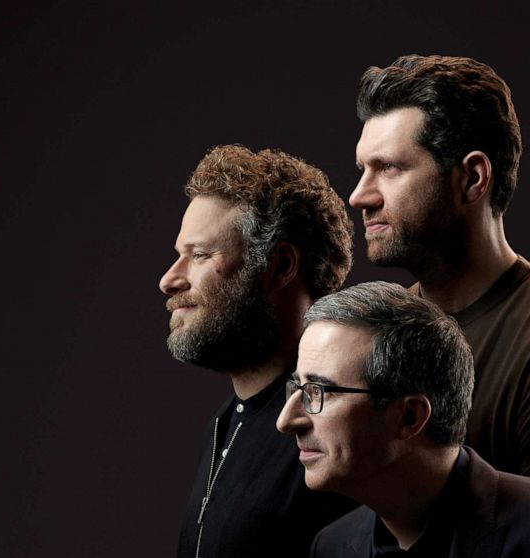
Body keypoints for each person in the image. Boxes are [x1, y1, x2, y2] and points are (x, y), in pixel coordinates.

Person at [160, 144, 356, 558]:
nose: (169, 280)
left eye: (199, 255)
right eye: (179, 256)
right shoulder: (228, 420)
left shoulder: (338, 429)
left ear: (281, 265)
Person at [350, 54, 530, 474]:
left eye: (389, 168)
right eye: (362, 169)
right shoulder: (374, 332)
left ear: (471, 178)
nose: (359, 195)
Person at [277, 281, 530, 557]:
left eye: (318, 391)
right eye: (297, 387)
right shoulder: (330, 547)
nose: (286, 421)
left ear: (409, 417)